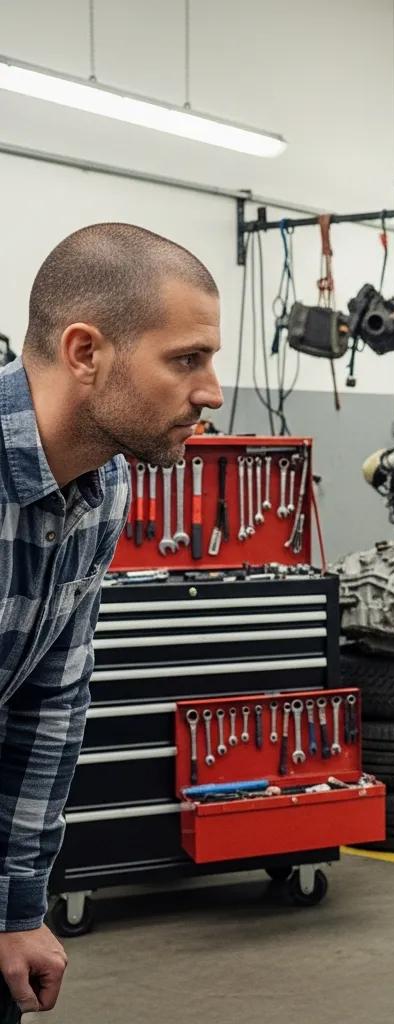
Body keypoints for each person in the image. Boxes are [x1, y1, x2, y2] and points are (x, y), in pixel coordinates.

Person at [0, 223, 223, 1013]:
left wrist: (16, 908)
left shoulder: (105, 487)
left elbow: (48, 703)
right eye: (186, 359)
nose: (212, 391)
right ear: (86, 351)